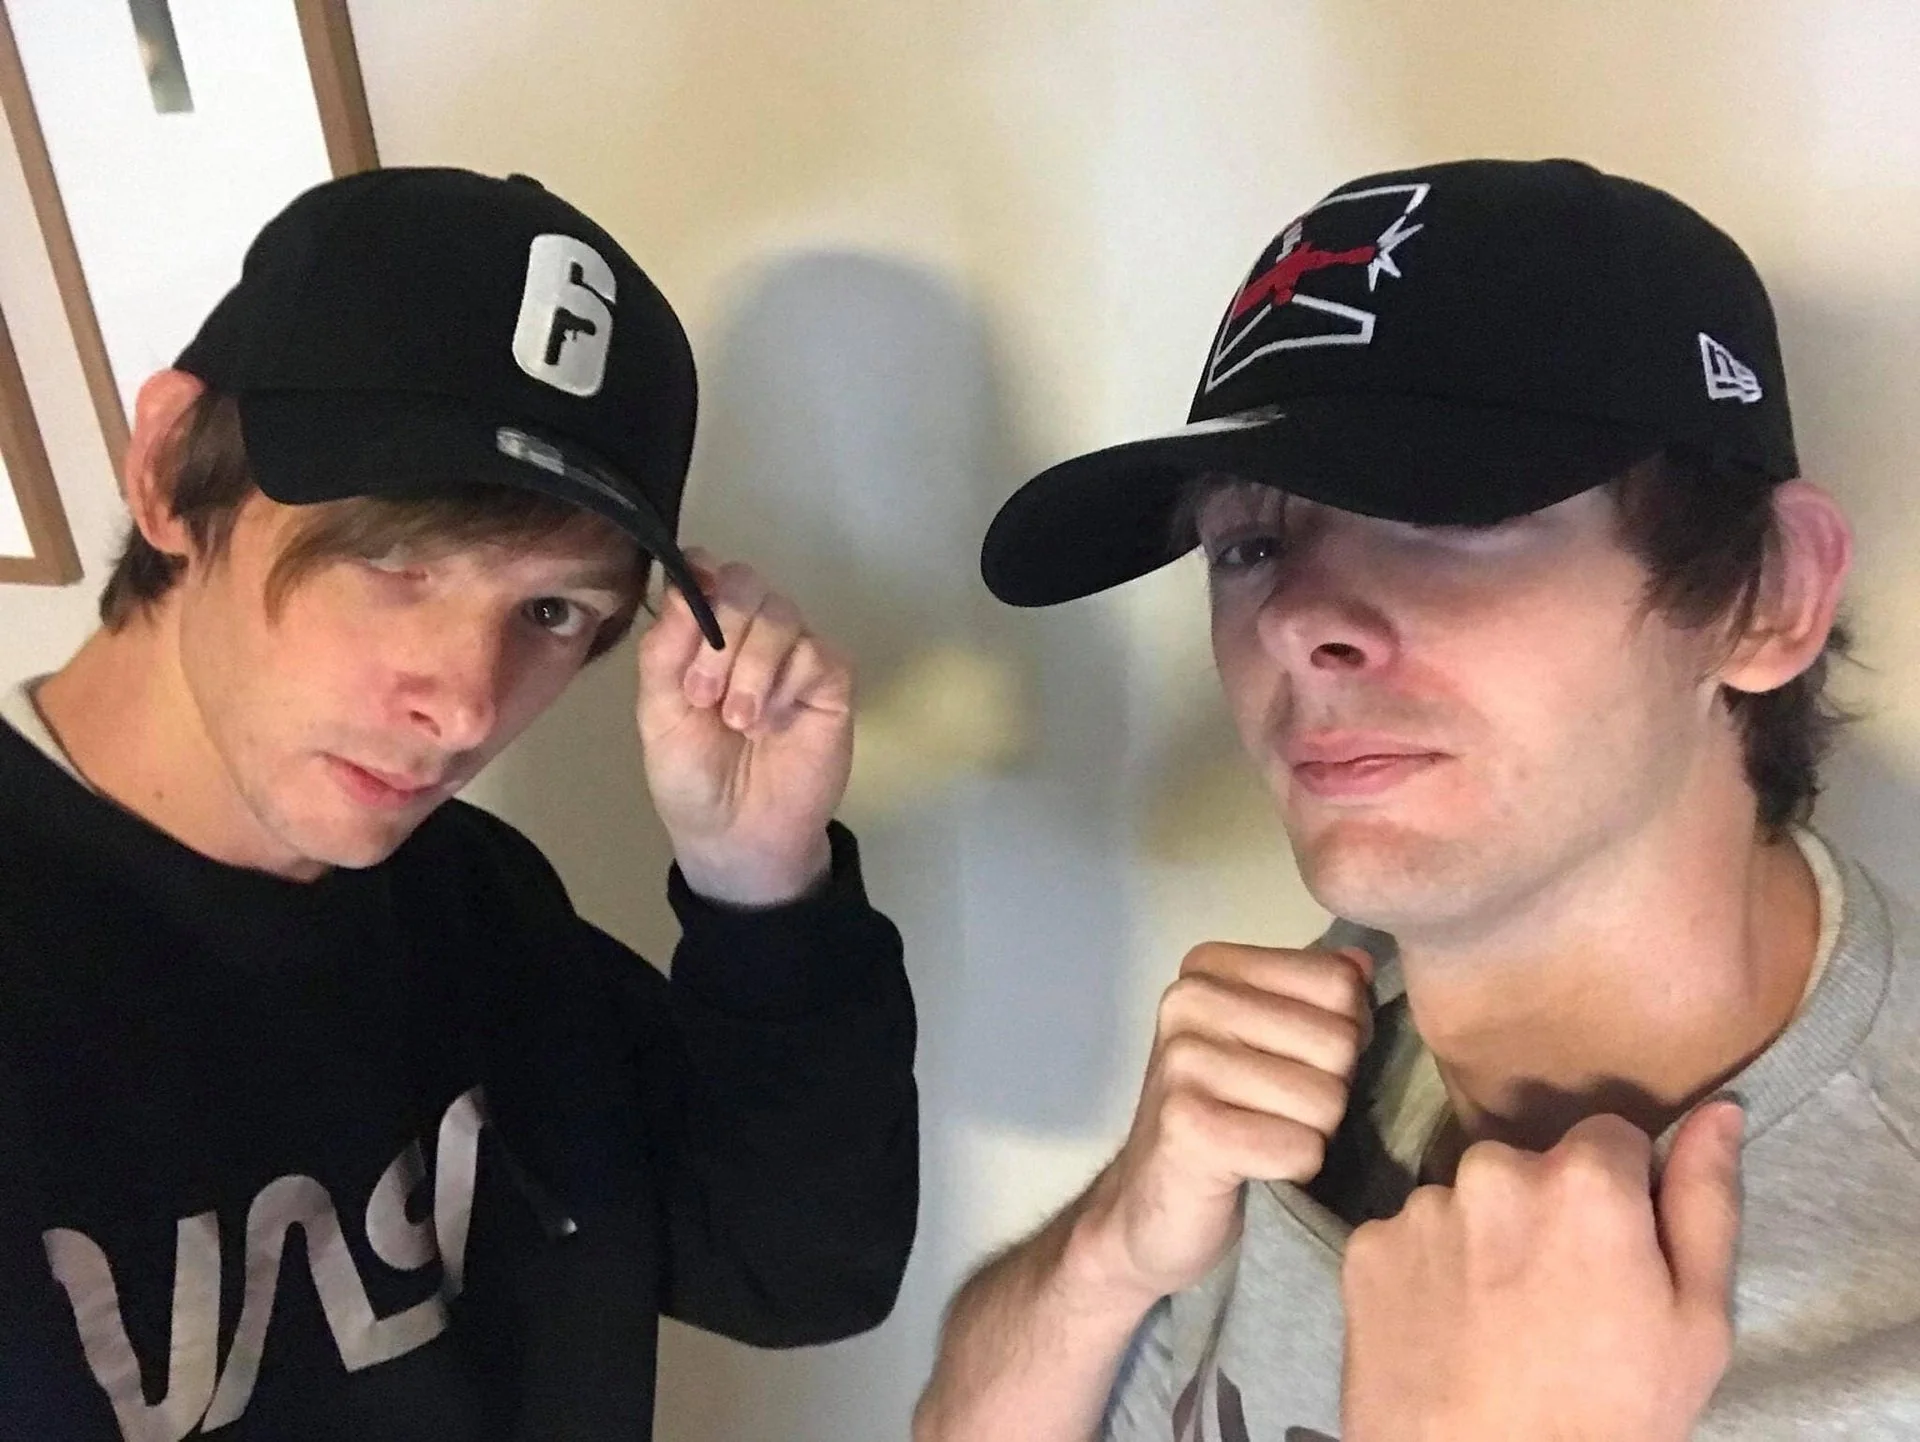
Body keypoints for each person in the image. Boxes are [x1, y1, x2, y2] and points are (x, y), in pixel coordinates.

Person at [917, 158, 1920, 1440]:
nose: (1295, 622)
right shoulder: (1335, 1023)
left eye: (1442, 512)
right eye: (1250, 545)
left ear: (1766, 592)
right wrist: (1112, 1242)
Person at [0, 168, 917, 1441]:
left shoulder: (475, 899)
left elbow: (797, 1267)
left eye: (551, 610)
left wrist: (759, 877)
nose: (469, 704)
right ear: (167, 470)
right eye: (394, 562)